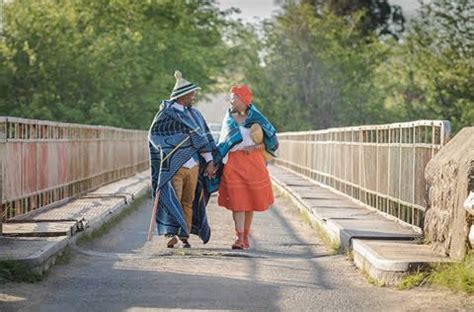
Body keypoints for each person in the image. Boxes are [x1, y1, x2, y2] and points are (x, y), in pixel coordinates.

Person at [148, 70, 217, 248]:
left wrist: (209, 162)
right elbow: (154, 136)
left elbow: (203, 139)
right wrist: (178, 141)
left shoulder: (196, 116)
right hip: (173, 166)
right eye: (191, 93)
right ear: (182, 95)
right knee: (173, 199)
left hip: (193, 166)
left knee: (189, 201)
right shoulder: (165, 116)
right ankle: (171, 235)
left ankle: (184, 236)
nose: (193, 96)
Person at [213, 84, 278, 249]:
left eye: (234, 98)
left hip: (254, 163)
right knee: (238, 202)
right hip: (234, 164)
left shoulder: (257, 118)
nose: (231, 101)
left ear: (243, 100)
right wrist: (215, 162)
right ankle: (239, 237)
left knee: (250, 202)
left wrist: (255, 147)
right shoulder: (228, 119)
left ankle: (245, 236)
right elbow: (223, 143)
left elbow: (271, 142)